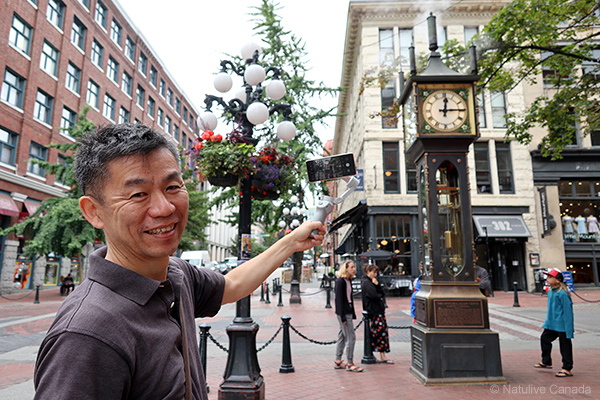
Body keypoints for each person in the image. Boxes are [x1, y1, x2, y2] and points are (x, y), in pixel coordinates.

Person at [33, 124, 325, 400]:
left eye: (173, 187)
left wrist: (292, 242)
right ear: (94, 211)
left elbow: (233, 284)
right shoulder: (86, 335)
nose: (164, 208)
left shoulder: (175, 275)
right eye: (138, 194)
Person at [534, 268, 574, 378]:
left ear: (558, 280)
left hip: (562, 324)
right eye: (548, 276)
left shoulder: (562, 294)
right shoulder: (551, 291)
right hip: (552, 324)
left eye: (550, 277)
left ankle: (567, 368)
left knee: (564, 346)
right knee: (544, 339)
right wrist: (547, 322)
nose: (548, 279)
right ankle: (546, 361)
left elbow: (568, 312)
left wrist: (569, 329)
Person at [334, 260, 363, 372]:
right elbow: (339, 300)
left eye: (354, 267)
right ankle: (349, 362)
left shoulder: (348, 281)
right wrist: (342, 317)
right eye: (351, 267)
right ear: (345, 269)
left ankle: (338, 360)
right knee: (351, 337)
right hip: (344, 312)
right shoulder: (340, 282)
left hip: (348, 310)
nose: (354, 269)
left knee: (342, 335)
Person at [361, 264, 393, 364]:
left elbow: (382, 294)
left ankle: (380, 354)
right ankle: (381, 355)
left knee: (381, 332)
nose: (375, 274)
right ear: (368, 272)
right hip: (374, 311)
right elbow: (374, 295)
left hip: (378, 311)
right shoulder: (367, 282)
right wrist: (377, 287)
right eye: (374, 272)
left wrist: (377, 286)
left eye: (376, 272)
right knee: (379, 333)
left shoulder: (371, 282)